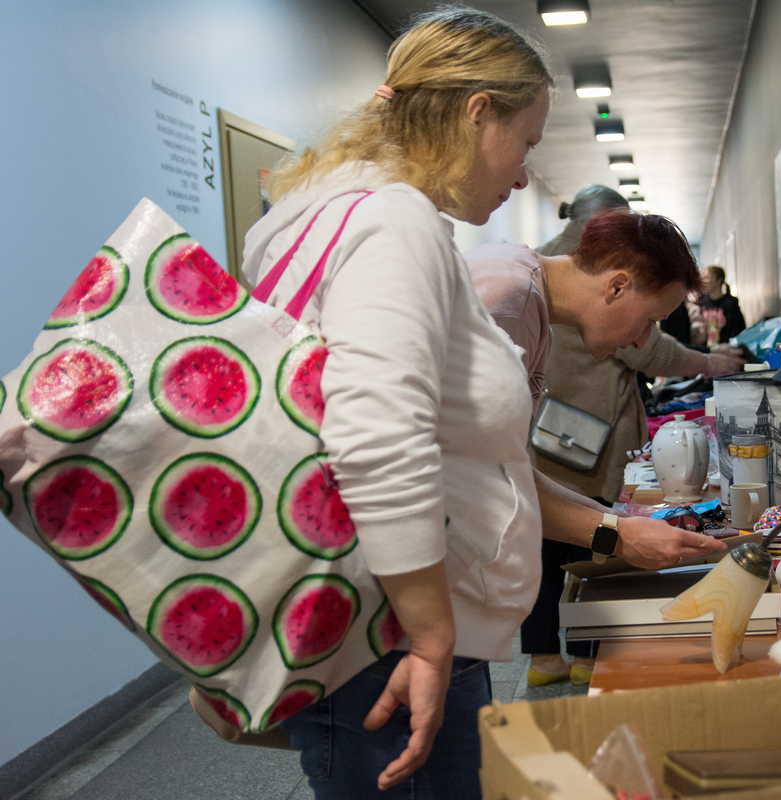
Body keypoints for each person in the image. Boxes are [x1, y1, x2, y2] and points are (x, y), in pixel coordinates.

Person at [238, 8, 551, 798]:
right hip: (391, 639)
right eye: (526, 145)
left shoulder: (312, 218)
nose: (521, 176)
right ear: (479, 112)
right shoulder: (393, 221)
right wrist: (434, 636)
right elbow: (376, 429)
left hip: (370, 625)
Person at [469, 208, 732, 685]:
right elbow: (480, 477)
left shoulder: (527, 294)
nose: (641, 340)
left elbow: (506, 469)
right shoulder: (509, 301)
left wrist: (620, 522)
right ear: (616, 285)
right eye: (649, 320)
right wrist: (614, 533)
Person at [698, 265, 747, 343]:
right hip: (706, 351)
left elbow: (738, 330)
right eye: (703, 278)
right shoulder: (701, 302)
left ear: (719, 280)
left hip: (726, 349)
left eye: (707, 277)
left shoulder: (731, 303)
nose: (704, 281)